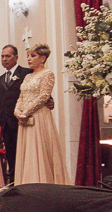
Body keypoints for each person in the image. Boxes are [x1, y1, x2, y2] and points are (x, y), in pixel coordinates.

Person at [14, 44, 70, 185]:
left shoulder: (47, 74)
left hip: (39, 117)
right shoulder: (27, 77)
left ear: (43, 58)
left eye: (33, 56)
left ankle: (41, 183)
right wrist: (17, 111)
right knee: (27, 151)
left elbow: (44, 97)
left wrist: (26, 112)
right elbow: (21, 96)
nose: (29, 58)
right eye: (28, 56)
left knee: (39, 150)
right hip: (24, 119)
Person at [0, 45, 32, 185]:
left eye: (7, 56)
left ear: (16, 57)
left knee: (24, 152)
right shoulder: (0, 79)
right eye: (2, 56)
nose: (4, 59)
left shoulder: (26, 73)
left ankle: (25, 180)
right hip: (6, 122)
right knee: (10, 153)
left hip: (22, 121)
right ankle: (13, 180)